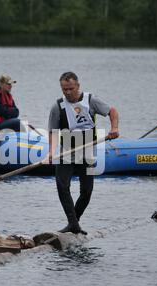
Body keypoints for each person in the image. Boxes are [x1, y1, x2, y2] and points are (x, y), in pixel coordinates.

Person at [48, 72, 119, 235]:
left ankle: (74, 223)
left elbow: (112, 112)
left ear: (78, 86)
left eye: (70, 89)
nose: (67, 92)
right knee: (62, 186)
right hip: (67, 151)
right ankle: (73, 224)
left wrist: (114, 128)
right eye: (64, 89)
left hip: (87, 150)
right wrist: (51, 152)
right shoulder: (57, 106)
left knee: (86, 191)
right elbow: (52, 132)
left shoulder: (91, 100)